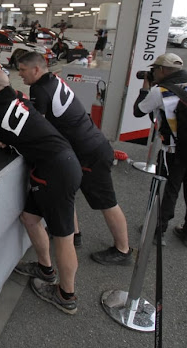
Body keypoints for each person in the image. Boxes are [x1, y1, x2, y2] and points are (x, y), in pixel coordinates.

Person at [0, 69, 82, 314]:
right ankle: (45, 269)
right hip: (61, 161)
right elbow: (26, 126)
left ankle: (66, 295)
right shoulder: (20, 98)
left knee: (63, 237)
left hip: (56, 171)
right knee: (29, 218)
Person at [17, 52, 132, 265]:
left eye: (23, 70)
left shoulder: (39, 88)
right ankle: (75, 234)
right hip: (85, 147)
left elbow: (37, 127)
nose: (19, 74)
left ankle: (122, 250)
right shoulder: (54, 80)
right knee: (68, 193)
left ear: (36, 69)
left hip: (90, 153)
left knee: (107, 203)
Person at [133, 53, 187, 249]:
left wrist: (146, 86)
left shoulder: (160, 91)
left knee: (167, 189)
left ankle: (157, 231)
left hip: (174, 150)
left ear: (162, 70)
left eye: (154, 70)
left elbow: (139, 111)